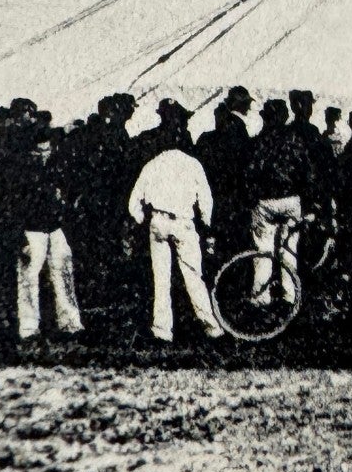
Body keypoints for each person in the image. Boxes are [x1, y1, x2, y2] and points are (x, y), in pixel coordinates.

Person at [126, 105, 223, 342]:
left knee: (161, 277)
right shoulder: (192, 164)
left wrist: (142, 219)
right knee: (193, 275)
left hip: (158, 221)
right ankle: (210, 326)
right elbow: (206, 201)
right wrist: (207, 225)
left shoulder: (153, 163)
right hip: (183, 223)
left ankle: (162, 329)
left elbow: (134, 202)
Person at [1, 124, 84, 341]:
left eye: (47, 150)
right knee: (29, 277)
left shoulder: (55, 169)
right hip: (32, 230)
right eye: (39, 151)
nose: (44, 155)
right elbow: (12, 207)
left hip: (54, 228)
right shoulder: (20, 174)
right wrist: (19, 235)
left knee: (63, 272)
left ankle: (71, 323)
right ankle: (29, 327)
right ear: (30, 151)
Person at [246, 98, 310, 305]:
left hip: (265, 203)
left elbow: (250, 173)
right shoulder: (295, 140)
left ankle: (260, 297)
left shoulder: (258, 141)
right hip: (291, 200)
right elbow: (306, 172)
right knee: (289, 251)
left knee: (263, 250)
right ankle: (290, 296)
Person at [194, 86, 254, 261]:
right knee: (234, 244)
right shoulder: (239, 128)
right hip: (232, 195)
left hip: (214, 192)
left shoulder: (207, 139)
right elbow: (244, 162)